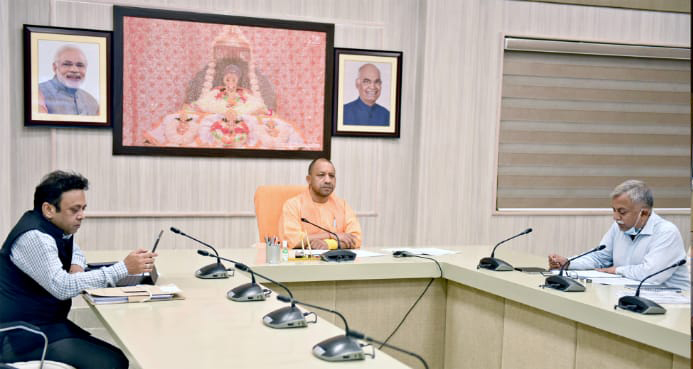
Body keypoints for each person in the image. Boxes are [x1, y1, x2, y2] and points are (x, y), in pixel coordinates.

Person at [0, 171, 157, 368]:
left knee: (117, 357)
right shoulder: (35, 237)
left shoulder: (56, 227)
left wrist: (76, 267)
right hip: (22, 335)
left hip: (46, 323)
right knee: (112, 363)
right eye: (75, 210)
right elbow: (63, 288)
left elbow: (75, 250)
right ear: (49, 209)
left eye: (83, 208)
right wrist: (123, 268)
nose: (81, 216)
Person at [548, 180, 689, 289]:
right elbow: (600, 257)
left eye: (622, 212)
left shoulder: (666, 232)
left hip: (673, 302)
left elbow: (651, 275)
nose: (615, 217)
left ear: (644, 213)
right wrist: (568, 263)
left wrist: (617, 270)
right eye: (613, 210)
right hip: (632, 295)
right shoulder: (619, 227)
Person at [278, 158, 362, 249]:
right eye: (321, 175)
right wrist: (332, 235)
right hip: (302, 261)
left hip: (337, 260)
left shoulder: (343, 205)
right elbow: (291, 240)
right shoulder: (293, 205)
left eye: (331, 175)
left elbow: (356, 239)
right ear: (309, 179)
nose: (328, 180)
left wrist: (329, 245)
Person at [38, 45, 99, 115]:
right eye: (67, 64)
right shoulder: (37, 93)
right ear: (55, 67)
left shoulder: (91, 101)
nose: (74, 70)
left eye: (80, 65)